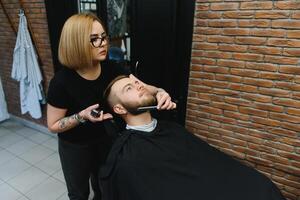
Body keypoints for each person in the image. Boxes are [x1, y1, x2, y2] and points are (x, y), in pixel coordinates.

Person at [46, 13, 176, 200]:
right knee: (78, 193)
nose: (104, 43)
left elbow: (146, 88)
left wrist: (160, 92)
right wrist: (82, 116)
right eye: (94, 39)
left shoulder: (112, 68)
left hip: (105, 138)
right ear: (76, 43)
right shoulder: (61, 82)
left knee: (104, 185)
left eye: (104, 37)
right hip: (75, 146)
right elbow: (53, 124)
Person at [99, 75, 286, 200]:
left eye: (138, 82)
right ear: (119, 109)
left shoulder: (172, 130)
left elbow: (209, 163)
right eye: (129, 88)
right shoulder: (127, 158)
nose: (139, 85)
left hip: (215, 183)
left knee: (262, 187)